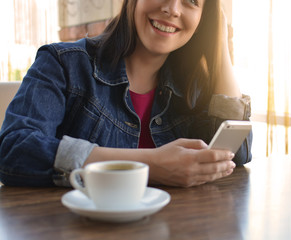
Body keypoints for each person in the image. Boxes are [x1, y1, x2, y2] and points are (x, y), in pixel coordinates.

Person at [0, 0, 252, 188]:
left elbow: (236, 154)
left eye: (193, 1)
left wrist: (218, 43)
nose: (173, 8)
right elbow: (13, 150)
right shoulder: (62, 64)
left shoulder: (194, 86)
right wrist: (150, 164)